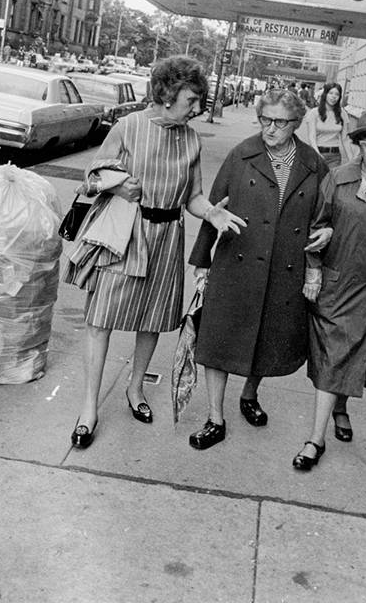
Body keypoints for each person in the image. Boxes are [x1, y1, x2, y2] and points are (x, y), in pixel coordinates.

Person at [65, 56, 246, 449]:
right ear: (166, 94)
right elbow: (90, 177)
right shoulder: (129, 127)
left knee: (150, 320)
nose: (197, 108)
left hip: (168, 237)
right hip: (125, 233)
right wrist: (115, 187)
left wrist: (211, 213)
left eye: (199, 100)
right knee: (101, 319)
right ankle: (89, 409)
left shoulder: (191, 139)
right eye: (191, 100)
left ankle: (135, 390)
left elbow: (194, 197)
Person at [186, 88, 329, 450]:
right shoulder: (242, 154)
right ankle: (215, 418)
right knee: (216, 339)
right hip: (237, 262)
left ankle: (249, 395)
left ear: (296, 123)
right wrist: (202, 261)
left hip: (285, 267)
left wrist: (323, 241)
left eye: (280, 122)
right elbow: (214, 207)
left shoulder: (313, 164)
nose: (270, 128)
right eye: (265, 120)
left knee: (267, 338)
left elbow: (324, 217)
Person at [293, 108, 366, 470]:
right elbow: (317, 225)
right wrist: (313, 272)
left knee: (358, 357)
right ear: (358, 144)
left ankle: (342, 408)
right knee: (332, 359)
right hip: (340, 281)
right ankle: (316, 439)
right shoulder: (338, 177)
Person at [301, 82, 354, 168]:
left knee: (331, 180)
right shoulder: (314, 113)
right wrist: (317, 155)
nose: (334, 96)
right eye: (331, 93)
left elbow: (345, 139)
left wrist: (352, 160)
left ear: (339, 97)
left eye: (337, 94)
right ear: (325, 94)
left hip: (335, 156)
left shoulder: (342, 113)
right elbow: (312, 137)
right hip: (317, 153)